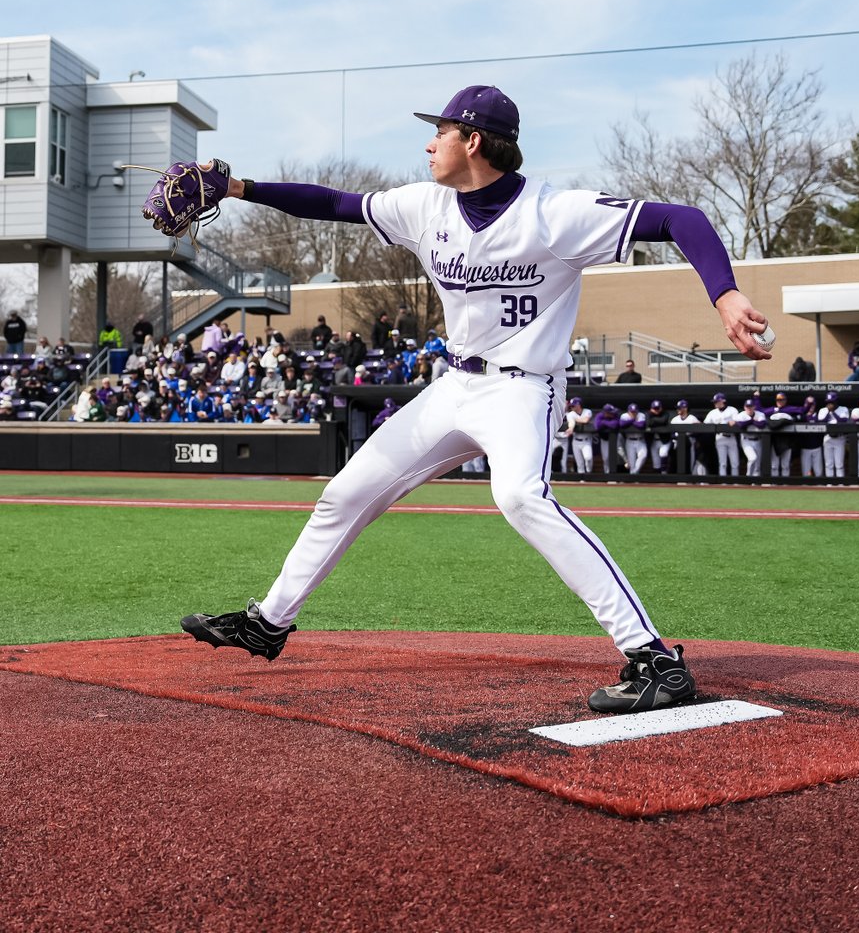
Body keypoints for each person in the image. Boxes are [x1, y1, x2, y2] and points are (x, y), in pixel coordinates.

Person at [180, 83, 772, 715]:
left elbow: (680, 219)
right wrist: (241, 189)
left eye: (441, 130)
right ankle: (268, 623)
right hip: (455, 384)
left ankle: (654, 660)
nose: (429, 141)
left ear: (474, 141)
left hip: (523, 387)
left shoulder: (553, 213)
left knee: (520, 496)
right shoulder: (424, 205)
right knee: (345, 493)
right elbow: (333, 203)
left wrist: (725, 294)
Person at [703, 392, 740, 478]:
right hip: (720, 438)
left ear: (723, 401)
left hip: (731, 437)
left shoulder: (732, 410)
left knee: (735, 462)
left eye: (717, 401)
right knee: (722, 463)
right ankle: (723, 483)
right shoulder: (712, 412)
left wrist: (735, 422)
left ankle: (736, 482)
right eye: (714, 401)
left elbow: (739, 421)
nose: (715, 403)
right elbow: (705, 424)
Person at [817, 390, 849, 482]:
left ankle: (840, 483)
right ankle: (829, 484)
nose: (830, 404)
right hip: (828, 438)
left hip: (839, 438)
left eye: (832, 402)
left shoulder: (843, 409)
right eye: (828, 402)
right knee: (829, 463)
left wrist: (833, 412)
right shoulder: (823, 410)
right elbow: (821, 423)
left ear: (836, 401)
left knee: (839, 464)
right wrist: (828, 412)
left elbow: (843, 421)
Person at [734, 397, 767, 477]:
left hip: (758, 440)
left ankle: (755, 485)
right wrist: (752, 421)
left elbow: (762, 425)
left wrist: (749, 422)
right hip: (746, 440)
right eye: (747, 406)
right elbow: (741, 425)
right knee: (752, 458)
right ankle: (748, 476)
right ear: (745, 407)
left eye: (751, 406)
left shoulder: (760, 414)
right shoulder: (741, 415)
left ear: (754, 407)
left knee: (757, 465)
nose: (749, 408)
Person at [566, 396, 596, 474]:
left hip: (586, 440)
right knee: (580, 463)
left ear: (579, 405)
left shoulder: (587, 411)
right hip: (576, 440)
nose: (571, 407)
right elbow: (571, 423)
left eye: (573, 405)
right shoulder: (570, 414)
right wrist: (571, 429)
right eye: (571, 406)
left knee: (588, 458)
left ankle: (589, 472)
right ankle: (581, 480)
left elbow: (585, 420)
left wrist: (576, 419)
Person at [618, 403, 648, 475]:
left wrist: (630, 422)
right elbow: (622, 424)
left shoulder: (641, 415)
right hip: (629, 441)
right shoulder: (624, 416)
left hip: (640, 440)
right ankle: (634, 480)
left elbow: (641, 425)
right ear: (628, 411)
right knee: (632, 463)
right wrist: (633, 420)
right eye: (632, 411)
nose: (634, 413)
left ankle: (634, 474)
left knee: (643, 456)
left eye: (635, 411)